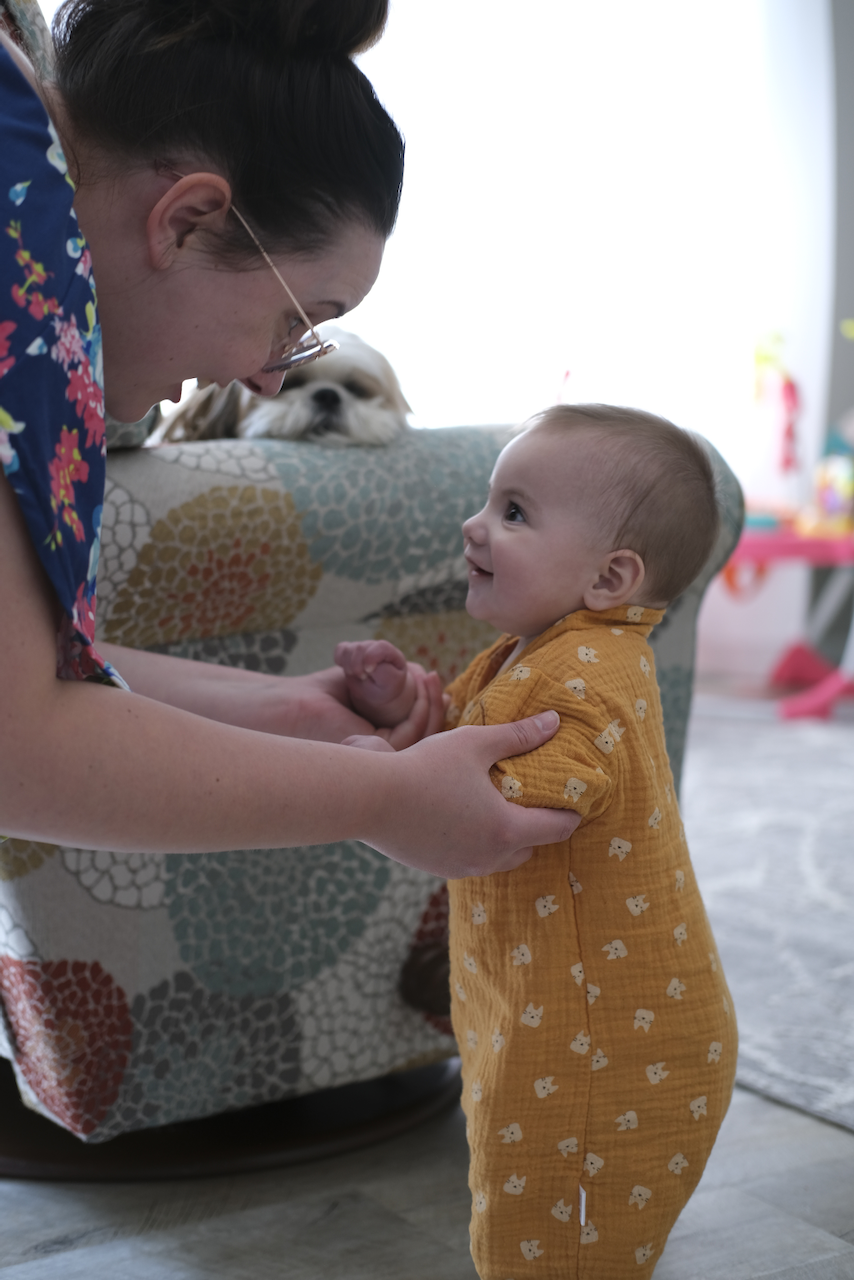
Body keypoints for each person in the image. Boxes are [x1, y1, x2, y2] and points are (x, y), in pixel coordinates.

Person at [0, 0, 579, 874]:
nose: (270, 377)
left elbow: (27, 675)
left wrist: (288, 713)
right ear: (187, 219)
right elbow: (16, 746)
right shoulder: (26, 260)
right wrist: (389, 798)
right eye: (295, 320)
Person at [336, 404, 737, 1278]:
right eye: (491, 501)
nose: (475, 523)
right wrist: (408, 719)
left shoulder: (585, 677)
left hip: (606, 1053)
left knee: (544, 1246)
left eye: (514, 513)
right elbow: (469, 750)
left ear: (610, 576)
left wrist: (372, 788)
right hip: (548, 1017)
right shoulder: (539, 649)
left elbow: (489, 813)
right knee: (527, 1217)